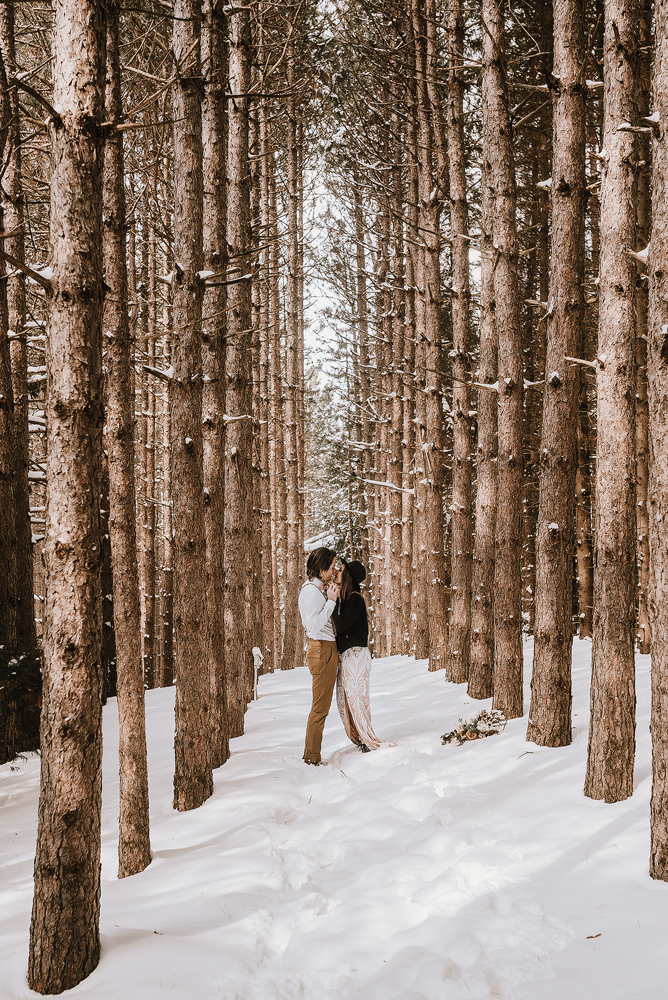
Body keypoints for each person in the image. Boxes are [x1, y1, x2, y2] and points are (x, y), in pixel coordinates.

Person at [332, 559, 382, 752]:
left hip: (356, 655)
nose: (337, 570)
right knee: (345, 699)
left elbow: (341, 625)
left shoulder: (354, 599)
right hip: (348, 655)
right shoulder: (347, 598)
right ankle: (359, 736)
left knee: (357, 699)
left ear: (349, 576)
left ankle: (367, 739)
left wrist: (333, 601)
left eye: (341, 569)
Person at [298, 546, 340, 766]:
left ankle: (312, 754)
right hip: (322, 649)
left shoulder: (316, 589)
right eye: (331, 567)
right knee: (320, 707)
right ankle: (312, 757)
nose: (334, 571)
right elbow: (314, 626)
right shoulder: (311, 592)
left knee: (321, 706)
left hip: (325, 649)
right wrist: (331, 601)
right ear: (321, 567)